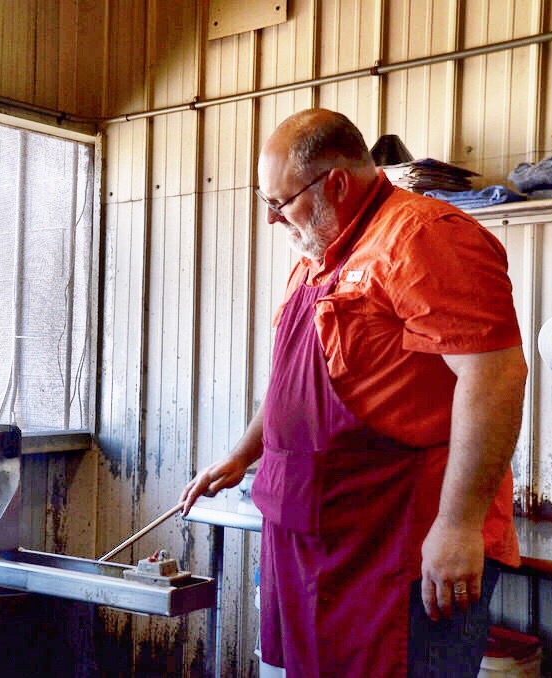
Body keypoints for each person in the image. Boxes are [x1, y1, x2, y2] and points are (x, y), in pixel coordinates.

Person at [179, 108, 527, 678]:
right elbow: (294, 384)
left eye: (279, 203)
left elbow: (494, 376)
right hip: (316, 540)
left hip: (400, 542)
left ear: (335, 182)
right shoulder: (316, 259)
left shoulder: (423, 237)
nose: (271, 220)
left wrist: (459, 525)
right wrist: (245, 453)